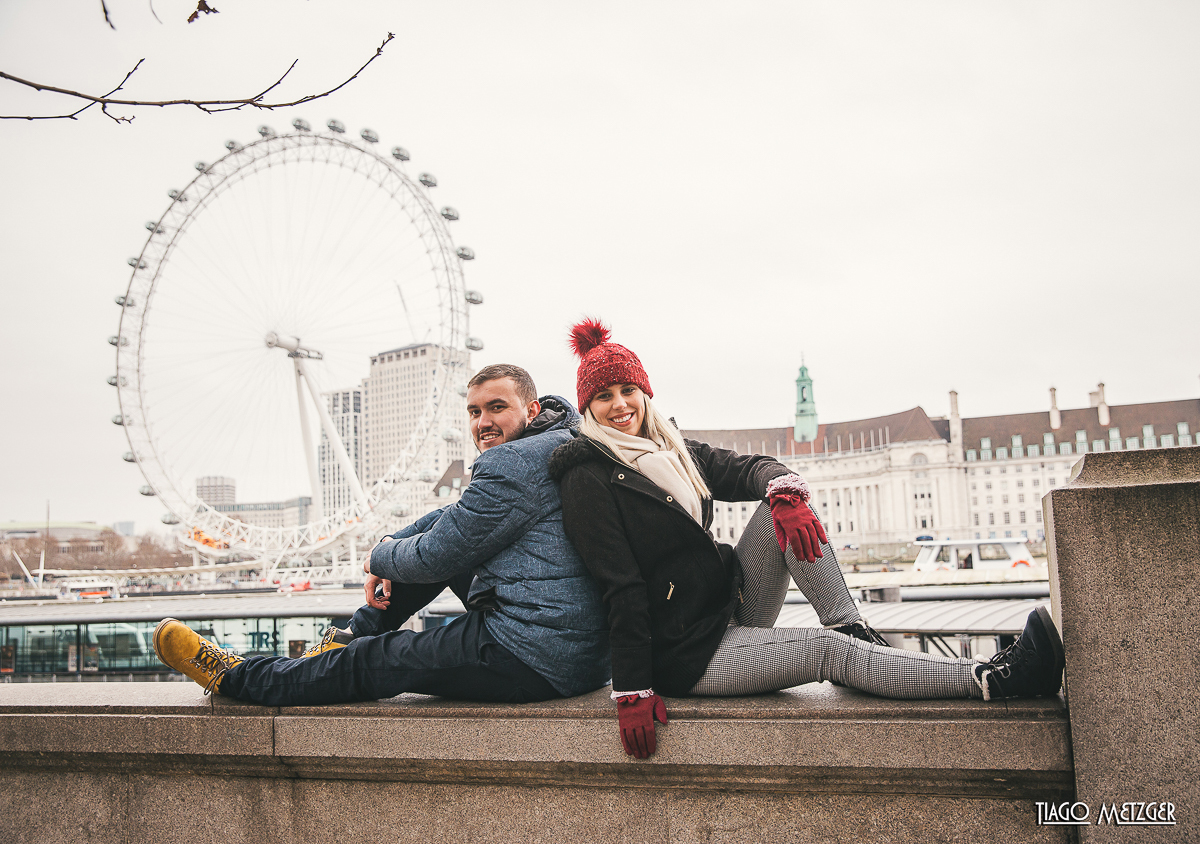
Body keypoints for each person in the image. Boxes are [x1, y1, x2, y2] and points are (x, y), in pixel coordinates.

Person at [549, 319, 1065, 758]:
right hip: (684, 651)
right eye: (604, 397)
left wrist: (783, 493)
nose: (620, 405)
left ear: (644, 392)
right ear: (588, 408)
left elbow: (748, 467)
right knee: (821, 650)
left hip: (725, 604)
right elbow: (620, 587)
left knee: (786, 506)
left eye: (626, 391)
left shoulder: (671, 447)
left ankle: (853, 631)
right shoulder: (588, 477)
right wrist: (633, 689)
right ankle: (991, 680)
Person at [153, 364, 612, 705]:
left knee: (374, 659)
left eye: (496, 408)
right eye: (474, 411)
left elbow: (436, 555)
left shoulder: (512, 464)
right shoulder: (556, 442)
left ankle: (237, 677)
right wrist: (389, 547)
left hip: (535, 655)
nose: (482, 422)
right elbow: (451, 521)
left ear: (530, 409)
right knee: (433, 544)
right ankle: (347, 635)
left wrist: (378, 559)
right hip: (579, 649)